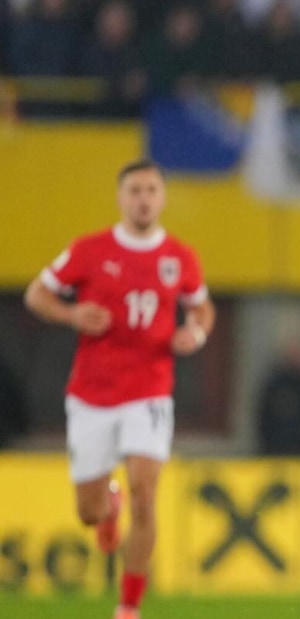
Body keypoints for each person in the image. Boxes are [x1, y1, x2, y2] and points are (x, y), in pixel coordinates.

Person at [24, 160, 214, 619]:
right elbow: (36, 294)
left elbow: (202, 309)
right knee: (87, 514)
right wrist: (71, 315)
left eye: (151, 190)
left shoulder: (180, 257)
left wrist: (196, 333)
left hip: (149, 391)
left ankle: (128, 607)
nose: (143, 198)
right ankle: (107, 508)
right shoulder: (89, 250)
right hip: (92, 394)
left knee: (146, 494)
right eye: (135, 191)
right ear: (121, 197)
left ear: (163, 197)